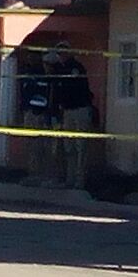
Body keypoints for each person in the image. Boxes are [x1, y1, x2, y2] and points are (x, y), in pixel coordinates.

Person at [44, 42, 95, 190]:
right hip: (67, 111)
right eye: (59, 53)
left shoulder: (76, 68)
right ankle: (70, 178)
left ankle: (80, 181)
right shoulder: (58, 70)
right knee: (69, 147)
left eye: (63, 52)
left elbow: (76, 90)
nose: (61, 55)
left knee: (81, 146)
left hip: (80, 109)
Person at [19, 53, 55, 187]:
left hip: (44, 116)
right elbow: (25, 95)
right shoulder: (30, 75)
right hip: (31, 114)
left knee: (46, 147)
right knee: (32, 147)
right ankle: (33, 175)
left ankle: (46, 176)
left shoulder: (50, 78)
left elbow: (50, 98)